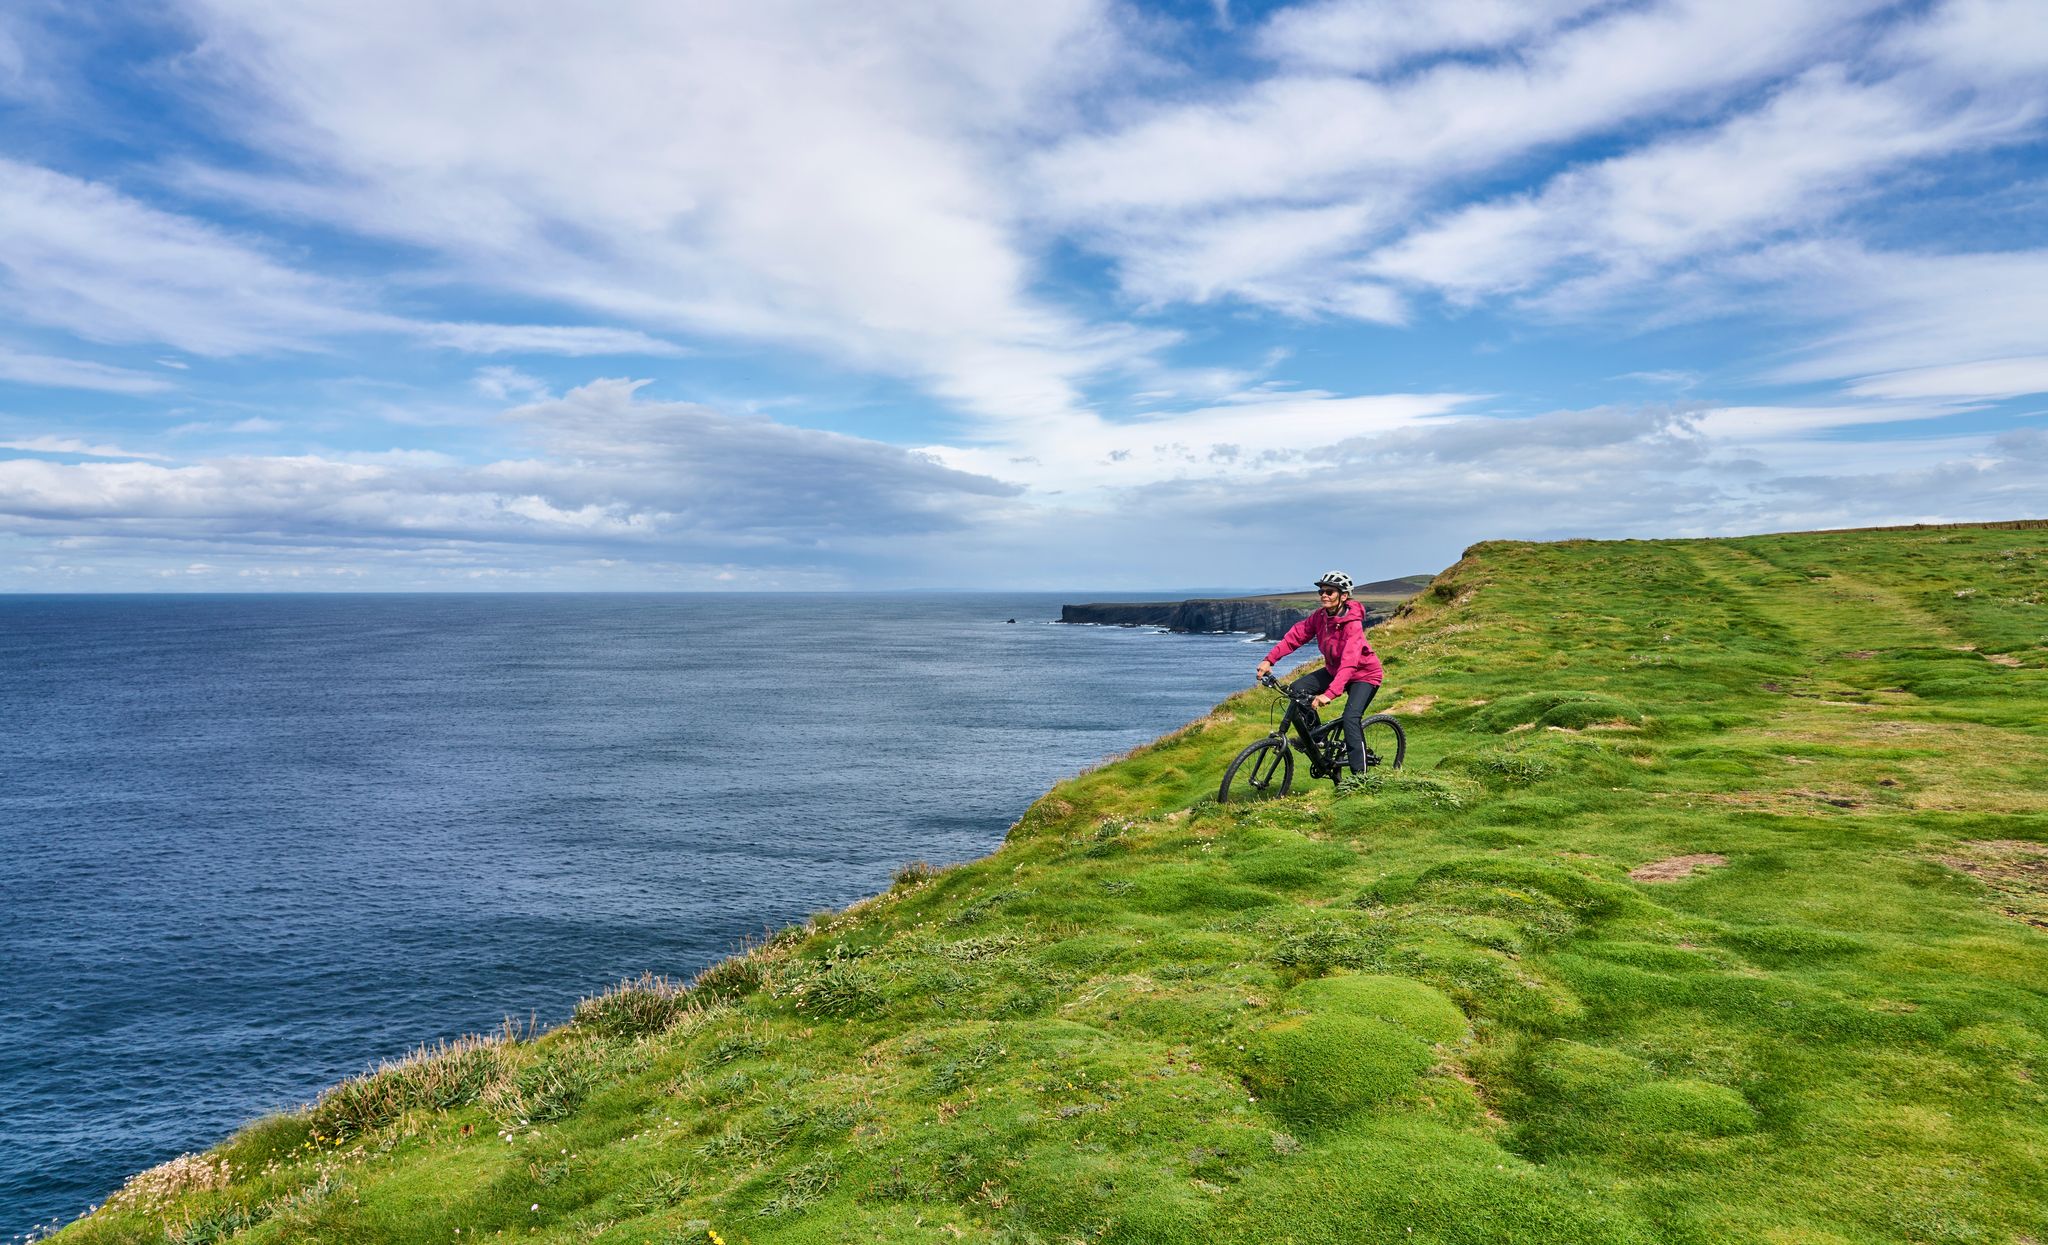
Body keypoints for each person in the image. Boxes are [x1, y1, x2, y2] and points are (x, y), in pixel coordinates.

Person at [1255, 571, 1384, 775]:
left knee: (1351, 718)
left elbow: (1350, 663)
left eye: (1329, 592)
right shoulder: (1321, 617)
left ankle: (1361, 778)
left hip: (1364, 675)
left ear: (1343, 596)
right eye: (1321, 591)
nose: (1324, 595)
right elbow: (1295, 637)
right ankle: (1320, 739)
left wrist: (1329, 694)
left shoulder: (1353, 625)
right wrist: (1269, 659)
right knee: (1297, 690)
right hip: (1335, 670)